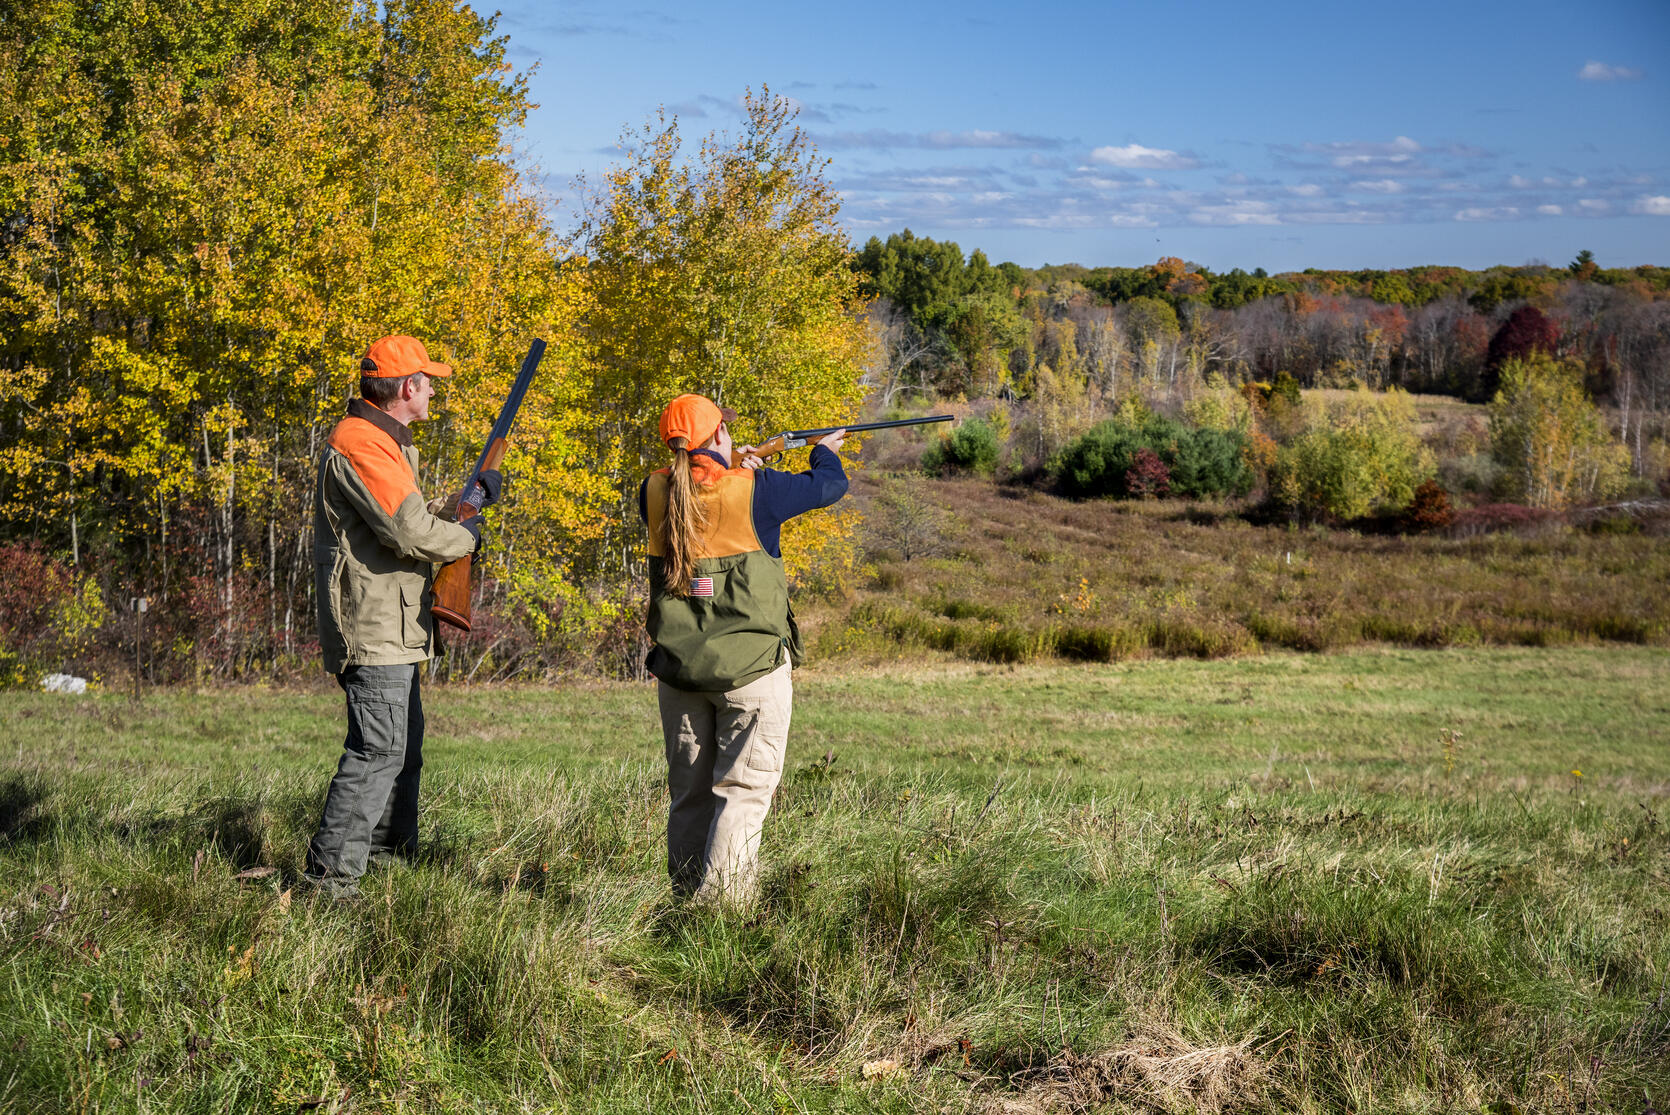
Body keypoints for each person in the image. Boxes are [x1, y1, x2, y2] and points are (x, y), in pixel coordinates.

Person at [303, 334, 501, 899]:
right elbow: (407, 532)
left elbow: (406, 517)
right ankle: (332, 883)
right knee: (377, 750)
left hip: (394, 623)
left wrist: (467, 504)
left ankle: (389, 856)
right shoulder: (362, 443)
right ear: (407, 388)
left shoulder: (383, 441)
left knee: (401, 747)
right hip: (375, 626)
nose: (434, 389)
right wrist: (463, 538)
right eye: (428, 380)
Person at [639, 393, 849, 905]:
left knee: (689, 795)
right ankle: (720, 914)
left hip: (681, 673)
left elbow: (701, 488)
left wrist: (738, 465)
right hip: (750, 673)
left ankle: (685, 899)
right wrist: (824, 449)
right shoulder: (756, 490)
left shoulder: (654, 489)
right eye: (725, 431)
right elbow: (830, 486)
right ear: (717, 437)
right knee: (743, 793)